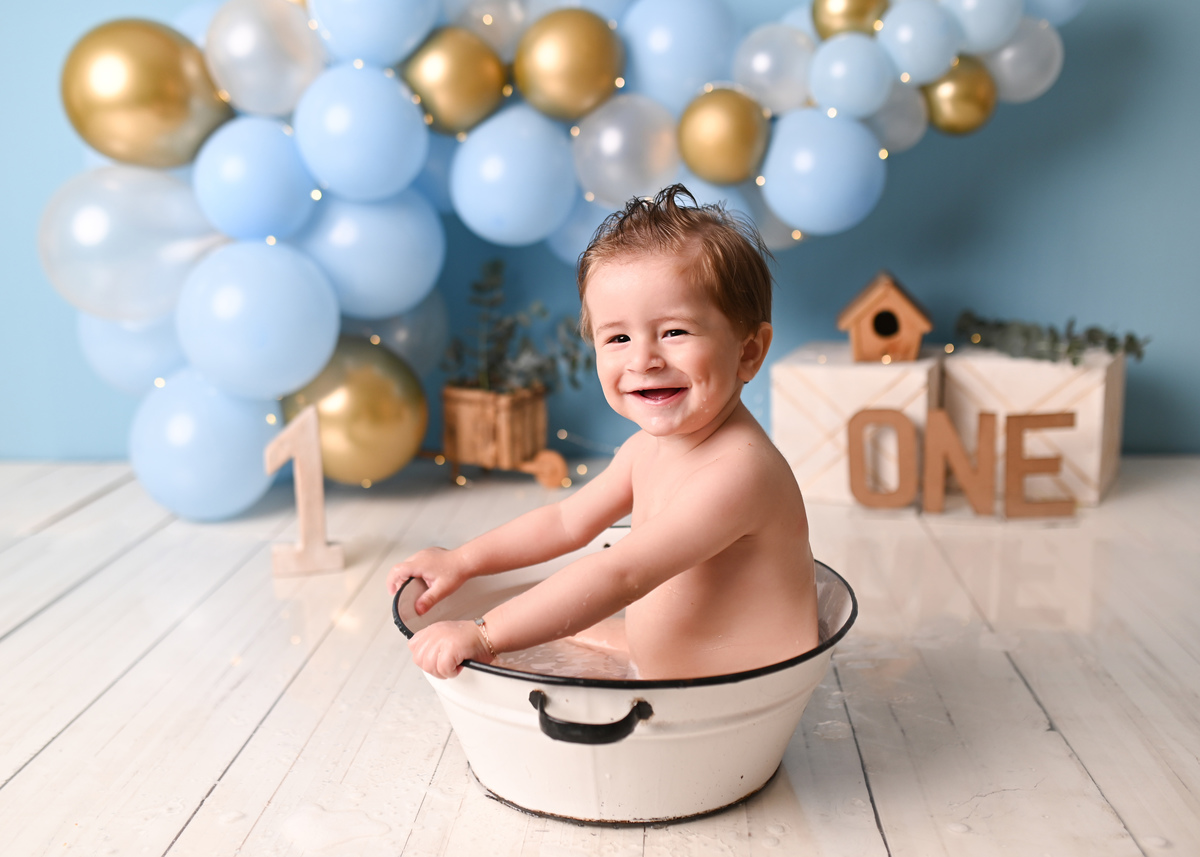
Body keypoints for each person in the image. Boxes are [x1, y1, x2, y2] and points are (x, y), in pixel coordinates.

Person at [387, 185, 818, 680]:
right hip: (664, 664)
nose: (643, 360)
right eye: (618, 337)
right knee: (558, 621)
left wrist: (485, 634)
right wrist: (462, 561)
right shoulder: (644, 450)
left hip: (742, 691)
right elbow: (565, 522)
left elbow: (621, 573)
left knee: (533, 624)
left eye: (674, 331)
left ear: (749, 351)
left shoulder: (739, 473)